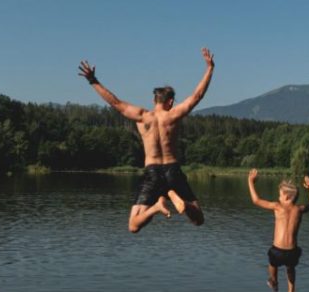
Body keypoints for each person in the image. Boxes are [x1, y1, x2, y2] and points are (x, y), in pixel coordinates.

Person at [78, 47, 214, 233]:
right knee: (198, 219)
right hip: (173, 170)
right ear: (171, 102)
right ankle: (180, 201)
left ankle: (157, 207)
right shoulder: (173, 115)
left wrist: (93, 80)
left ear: (154, 100)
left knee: (133, 225)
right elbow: (197, 96)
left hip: (152, 172)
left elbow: (115, 103)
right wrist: (209, 69)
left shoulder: (143, 117)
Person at [248, 169, 309, 292]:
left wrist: (250, 181)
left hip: (277, 251)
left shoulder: (277, 207)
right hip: (292, 251)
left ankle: (274, 281)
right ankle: (291, 289)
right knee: (290, 269)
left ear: (287, 196)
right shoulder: (299, 209)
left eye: (280, 195)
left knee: (272, 264)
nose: (278, 197)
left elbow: (256, 200)